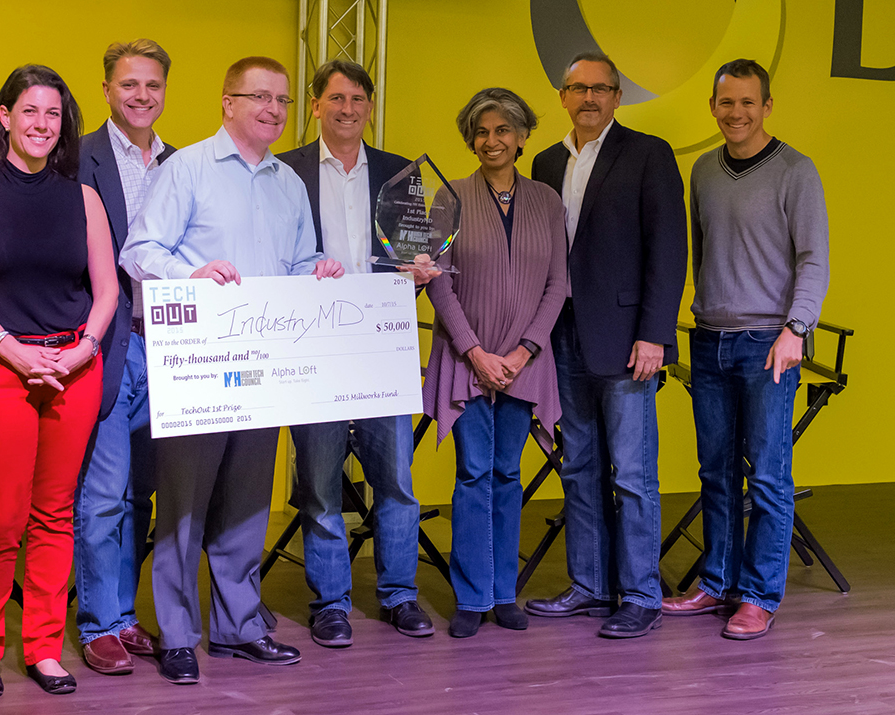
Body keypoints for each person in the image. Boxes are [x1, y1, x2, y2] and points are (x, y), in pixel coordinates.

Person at [119, 56, 344, 685]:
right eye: (259, 98)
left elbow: (301, 260)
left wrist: (319, 270)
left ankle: (239, 627)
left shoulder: (289, 184)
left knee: (247, 504)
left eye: (283, 100)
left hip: (264, 370)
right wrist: (188, 275)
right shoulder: (186, 168)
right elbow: (139, 251)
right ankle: (179, 633)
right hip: (198, 368)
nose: (273, 110)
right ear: (227, 102)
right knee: (184, 507)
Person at [0, 64, 117, 697]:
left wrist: (85, 348)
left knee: (54, 515)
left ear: (62, 124)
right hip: (1, 365)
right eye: (30, 111)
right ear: (5, 117)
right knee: (3, 516)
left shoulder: (84, 199)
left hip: (74, 366)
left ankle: (43, 646)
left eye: (54, 114)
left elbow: (108, 290)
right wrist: (12, 349)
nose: (43, 124)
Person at [661, 59, 829, 640]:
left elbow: (814, 260)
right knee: (715, 471)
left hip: (769, 345)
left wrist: (795, 329)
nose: (736, 113)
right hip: (710, 341)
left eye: (748, 103)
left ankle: (759, 595)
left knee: (769, 480)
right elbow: (702, 251)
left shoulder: (796, 171)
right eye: (726, 103)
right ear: (712, 107)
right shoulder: (704, 170)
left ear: (767, 105)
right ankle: (717, 582)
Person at [524, 52, 687, 638]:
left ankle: (641, 593)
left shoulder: (648, 154)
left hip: (625, 341)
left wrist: (655, 335)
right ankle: (590, 586)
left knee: (632, 472)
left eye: (601, 88)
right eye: (578, 88)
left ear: (618, 97)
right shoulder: (544, 162)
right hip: (560, 335)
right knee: (579, 465)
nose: (589, 97)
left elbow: (668, 249)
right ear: (563, 96)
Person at [277, 59, 434, 648]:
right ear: (315, 105)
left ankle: (399, 596)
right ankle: (330, 604)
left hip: (382, 344)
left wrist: (420, 273)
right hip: (312, 348)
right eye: (336, 99)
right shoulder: (284, 171)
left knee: (394, 480)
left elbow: (416, 258)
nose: (348, 109)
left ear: (370, 106)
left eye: (358, 100)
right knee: (319, 484)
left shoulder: (401, 174)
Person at [424, 87, 567, 638]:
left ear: (522, 136)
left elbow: (558, 284)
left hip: (524, 362)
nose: (492, 141)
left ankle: (504, 592)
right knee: (473, 475)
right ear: (471, 139)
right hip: (468, 361)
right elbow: (436, 281)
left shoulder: (548, 201)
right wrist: (476, 353)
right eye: (482, 132)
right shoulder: (450, 199)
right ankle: (470, 595)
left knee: (508, 475)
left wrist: (523, 351)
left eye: (503, 130)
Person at [73, 38, 176, 676]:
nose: (142, 96)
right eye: (130, 84)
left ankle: (124, 614)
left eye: (153, 85)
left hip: (171, 345)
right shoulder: (76, 157)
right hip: (107, 343)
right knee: (104, 491)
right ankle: (96, 623)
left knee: (143, 493)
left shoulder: (181, 162)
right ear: (107, 89)